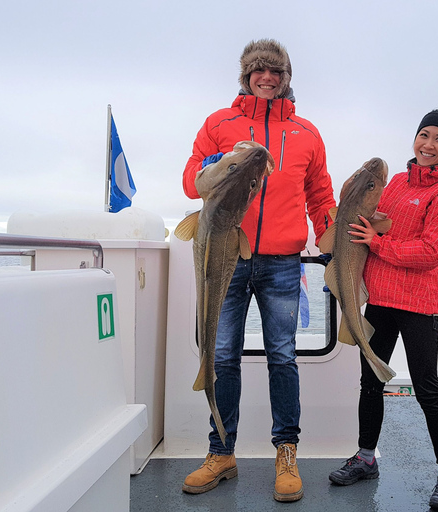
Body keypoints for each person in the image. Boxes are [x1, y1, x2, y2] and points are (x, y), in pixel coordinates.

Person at [180, 38, 336, 503]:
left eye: (276, 72)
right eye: (258, 71)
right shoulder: (219, 123)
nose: (267, 78)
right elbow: (191, 181)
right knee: (222, 355)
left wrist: (330, 240)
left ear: (287, 78)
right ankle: (221, 452)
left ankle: (286, 452)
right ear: (246, 76)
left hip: (282, 262)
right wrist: (209, 166)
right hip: (225, 254)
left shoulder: (307, 132)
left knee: (282, 357)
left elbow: (320, 195)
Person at [328, 109, 438, 511]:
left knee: (427, 390)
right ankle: (365, 457)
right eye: (424, 135)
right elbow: (368, 217)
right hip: (379, 301)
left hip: (418, 305)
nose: (429, 145)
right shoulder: (398, 182)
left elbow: (429, 252)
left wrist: (377, 243)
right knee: (370, 383)